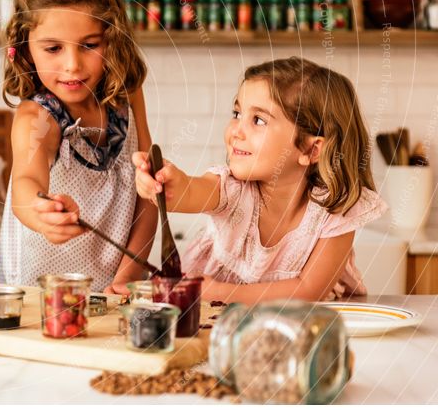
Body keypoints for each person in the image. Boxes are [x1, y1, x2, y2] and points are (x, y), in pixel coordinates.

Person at [134, 56, 387, 303]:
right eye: (236, 113)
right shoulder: (232, 189)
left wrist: (216, 292)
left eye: (258, 120)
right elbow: (188, 192)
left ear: (311, 150)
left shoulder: (336, 209)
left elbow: (309, 291)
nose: (236, 131)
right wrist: (164, 183)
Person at [0, 0, 156, 294]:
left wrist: (127, 277)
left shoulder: (127, 94)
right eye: (53, 48)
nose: (72, 65)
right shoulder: (37, 118)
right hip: (35, 296)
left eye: (90, 45)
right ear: (24, 49)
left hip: (112, 292)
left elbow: (148, 194)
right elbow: (26, 181)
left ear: (112, 38)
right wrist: (41, 216)